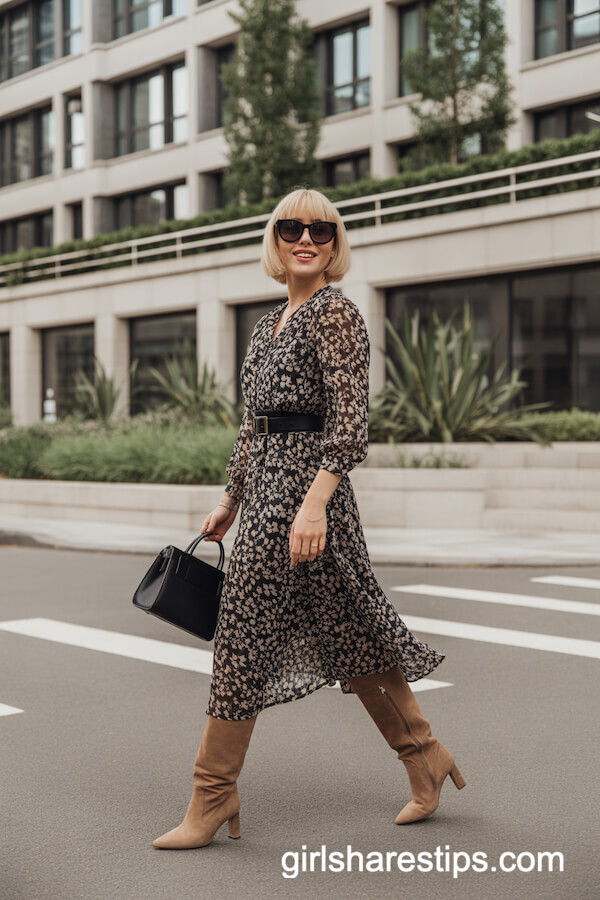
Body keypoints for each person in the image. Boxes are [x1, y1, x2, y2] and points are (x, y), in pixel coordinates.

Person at [152, 187, 466, 850]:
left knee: (238, 634)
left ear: (335, 243)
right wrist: (228, 503)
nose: (306, 239)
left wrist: (315, 502)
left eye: (321, 231)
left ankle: (211, 798)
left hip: (308, 496)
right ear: (274, 238)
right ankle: (425, 755)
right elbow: (252, 427)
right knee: (353, 635)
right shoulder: (269, 324)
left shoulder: (335, 314)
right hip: (265, 492)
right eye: (291, 228)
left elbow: (351, 425)